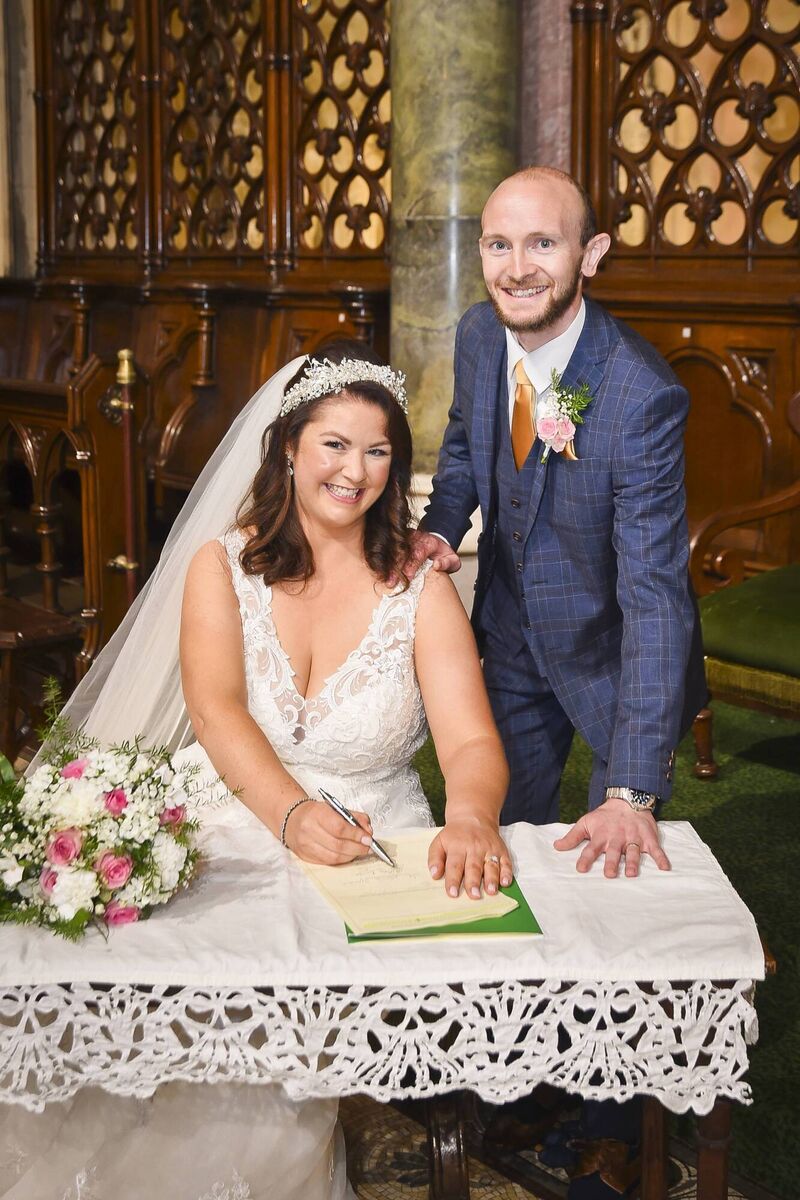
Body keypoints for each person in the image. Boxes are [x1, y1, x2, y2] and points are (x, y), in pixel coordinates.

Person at [3, 342, 512, 1200]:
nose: (357, 471)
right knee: (176, 1002)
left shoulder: (419, 588)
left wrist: (471, 816)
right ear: (287, 448)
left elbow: (470, 744)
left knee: (285, 1054)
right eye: (335, 445)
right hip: (238, 808)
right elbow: (218, 712)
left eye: (379, 450)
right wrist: (287, 815)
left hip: (374, 841)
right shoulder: (221, 567)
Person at [413, 166, 707, 1198]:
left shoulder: (636, 392)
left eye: (542, 245)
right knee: (505, 848)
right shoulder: (473, 334)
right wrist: (439, 529)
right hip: (507, 639)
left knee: (617, 879)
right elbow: (460, 449)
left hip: (608, 649)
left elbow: (656, 591)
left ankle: (611, 1121)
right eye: (498, 244)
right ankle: (515, 1069)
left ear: (589, 255)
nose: (515, 266)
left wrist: (632, 785)